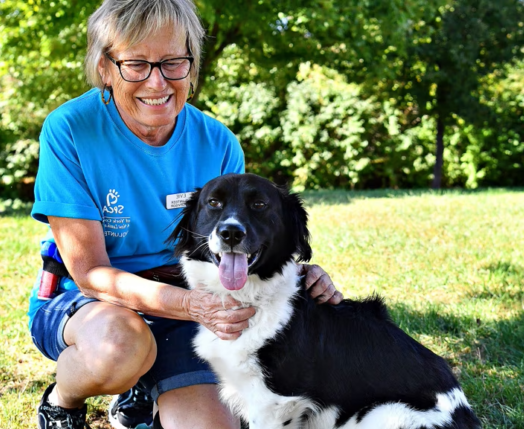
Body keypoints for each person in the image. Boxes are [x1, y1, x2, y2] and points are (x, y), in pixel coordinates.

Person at [26, 0, 343, 428]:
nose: (157, 82)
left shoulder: (218, 141)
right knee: (121, 348)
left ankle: (144, 395)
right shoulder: (69, 129)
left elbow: (237, 245)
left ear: (191, 66)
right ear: (105, 67)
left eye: (173, 62)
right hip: (89, 303)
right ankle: (63, 401)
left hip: (191, 305)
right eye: (136, 64)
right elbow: (90, 273)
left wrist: (294, 275)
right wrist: (192, 304)